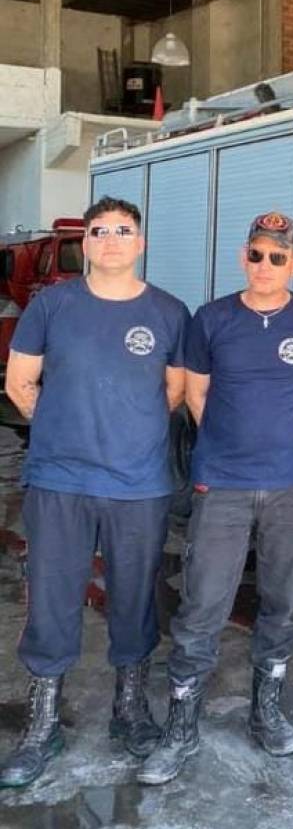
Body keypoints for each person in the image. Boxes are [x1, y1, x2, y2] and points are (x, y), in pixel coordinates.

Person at [0, 196, 188, 788]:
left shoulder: (168, 312)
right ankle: (43, 724)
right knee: (52, 600)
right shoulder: (52, 306)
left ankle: (129, 710)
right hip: (60, 481)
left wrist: (127, 432)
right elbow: (20, 383)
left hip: (138, 486)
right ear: (85, 243)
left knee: (134, 598)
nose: (110, 240)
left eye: (122, 230)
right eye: (99, 231)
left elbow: (173, 392)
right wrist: (64, 428)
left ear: (141, 243)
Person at [138, 211, 293, 785]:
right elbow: (196, 394)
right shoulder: (212, 318)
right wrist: (229, 444)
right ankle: (181, 726)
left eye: (277, 256)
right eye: (256, 254)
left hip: (292, 484)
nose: (265, 265)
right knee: (202, 604)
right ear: (243, 257)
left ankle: (266, 711)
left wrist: (285, 435)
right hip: (222, 484)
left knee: (282, 602)